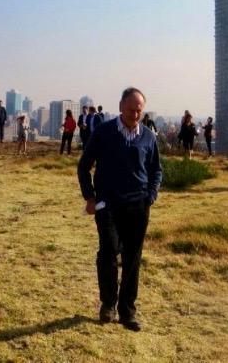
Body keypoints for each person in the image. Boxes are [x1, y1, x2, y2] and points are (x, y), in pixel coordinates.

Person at [78, 87, 162, 332]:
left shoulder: (148, 136)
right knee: (108, 252)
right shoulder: (104, 132)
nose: (135, 115)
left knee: (133, 258)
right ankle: (108, 304)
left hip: (138, 205)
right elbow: (84, 166)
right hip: (108, 205)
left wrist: (151, 195)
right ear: (120, 107)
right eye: (131, 109)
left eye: (139, 110)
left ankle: (127, 311)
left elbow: (156, 169)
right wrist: (90, 197)